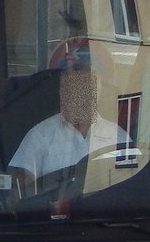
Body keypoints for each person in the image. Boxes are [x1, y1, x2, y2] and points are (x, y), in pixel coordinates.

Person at [9, 64, 129, 192]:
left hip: (106, 209)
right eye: (73, 92)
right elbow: (21, 182)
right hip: (56, 209)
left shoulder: (116, 135)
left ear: (98, 96)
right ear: (62, 95)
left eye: (86, 92)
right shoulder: (41, 134)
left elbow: (131, 180)